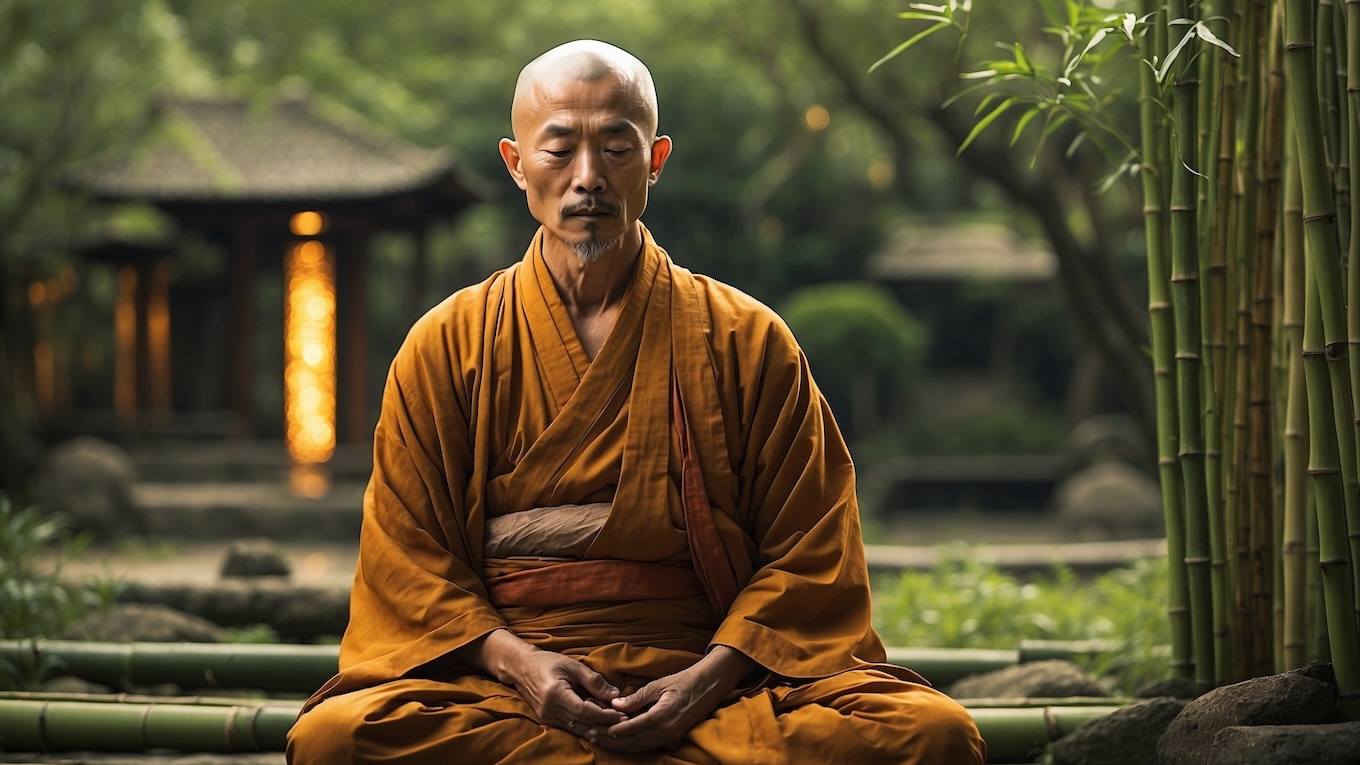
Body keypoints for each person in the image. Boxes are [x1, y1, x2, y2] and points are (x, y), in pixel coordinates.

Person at [286, 39, 986, 765]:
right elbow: (410, 562)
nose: (587, 177)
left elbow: (811, 554)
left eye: (616, 148)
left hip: (712, 681)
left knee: (931, 736)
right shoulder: (447, 344)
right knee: (336, 739)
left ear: (655, 160)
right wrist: (523, 666)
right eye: (559, 150)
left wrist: (703, 682)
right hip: (504, 688)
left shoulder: (746, 339)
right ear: (515, 162)